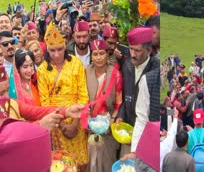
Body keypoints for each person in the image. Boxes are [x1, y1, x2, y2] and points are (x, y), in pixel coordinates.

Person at [37, 23, 89, 170]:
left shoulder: (76, 63)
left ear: (65, 45)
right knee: (62, 164)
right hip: (56, 122)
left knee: (81, 162)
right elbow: (45, 102)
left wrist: (74, 124)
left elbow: (83, 94)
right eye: (52, 50)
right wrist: (63, 124)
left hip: (77, 119)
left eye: (60, 49)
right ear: (47, 49)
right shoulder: (42, 71)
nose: (57, 54)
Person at [116, 26, 159, 155]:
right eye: (131, 49)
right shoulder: (127, 65)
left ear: (149, 50)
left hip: (148, 136)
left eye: (137, 51)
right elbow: (125, 96)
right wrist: (121, 115)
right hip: (128, 131)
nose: (133, 54)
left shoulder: (155, 71)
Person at [85, 39, 122, 171]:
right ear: (91, 56)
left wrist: (111, 122)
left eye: (102, 53)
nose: (99, 58)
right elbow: (83, 99)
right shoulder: (85, 72)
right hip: (89, 127)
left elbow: (119, 103)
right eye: (95, 54)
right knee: (91, 164)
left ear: (107, 54)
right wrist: (88, 120)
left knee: (106, 164)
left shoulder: (115, 74)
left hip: (108, 129)